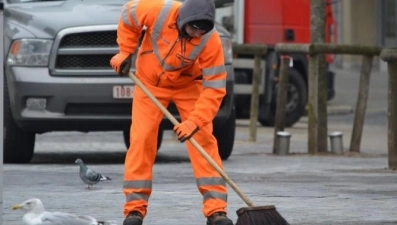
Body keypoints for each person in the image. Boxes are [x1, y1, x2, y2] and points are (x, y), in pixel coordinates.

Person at [110, 0, 233, 224]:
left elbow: (215, 87)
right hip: (149, 84)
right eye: (193, 28)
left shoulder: (210, 39)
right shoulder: (157, 10)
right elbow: (128, 16)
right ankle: (134, 210)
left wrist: (194, 122)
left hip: (188, 85)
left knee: (203, 139)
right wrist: (125, 52)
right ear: (183, 19)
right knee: (141, 140)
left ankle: (216, 211)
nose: (197, 34)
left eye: (202, 30)